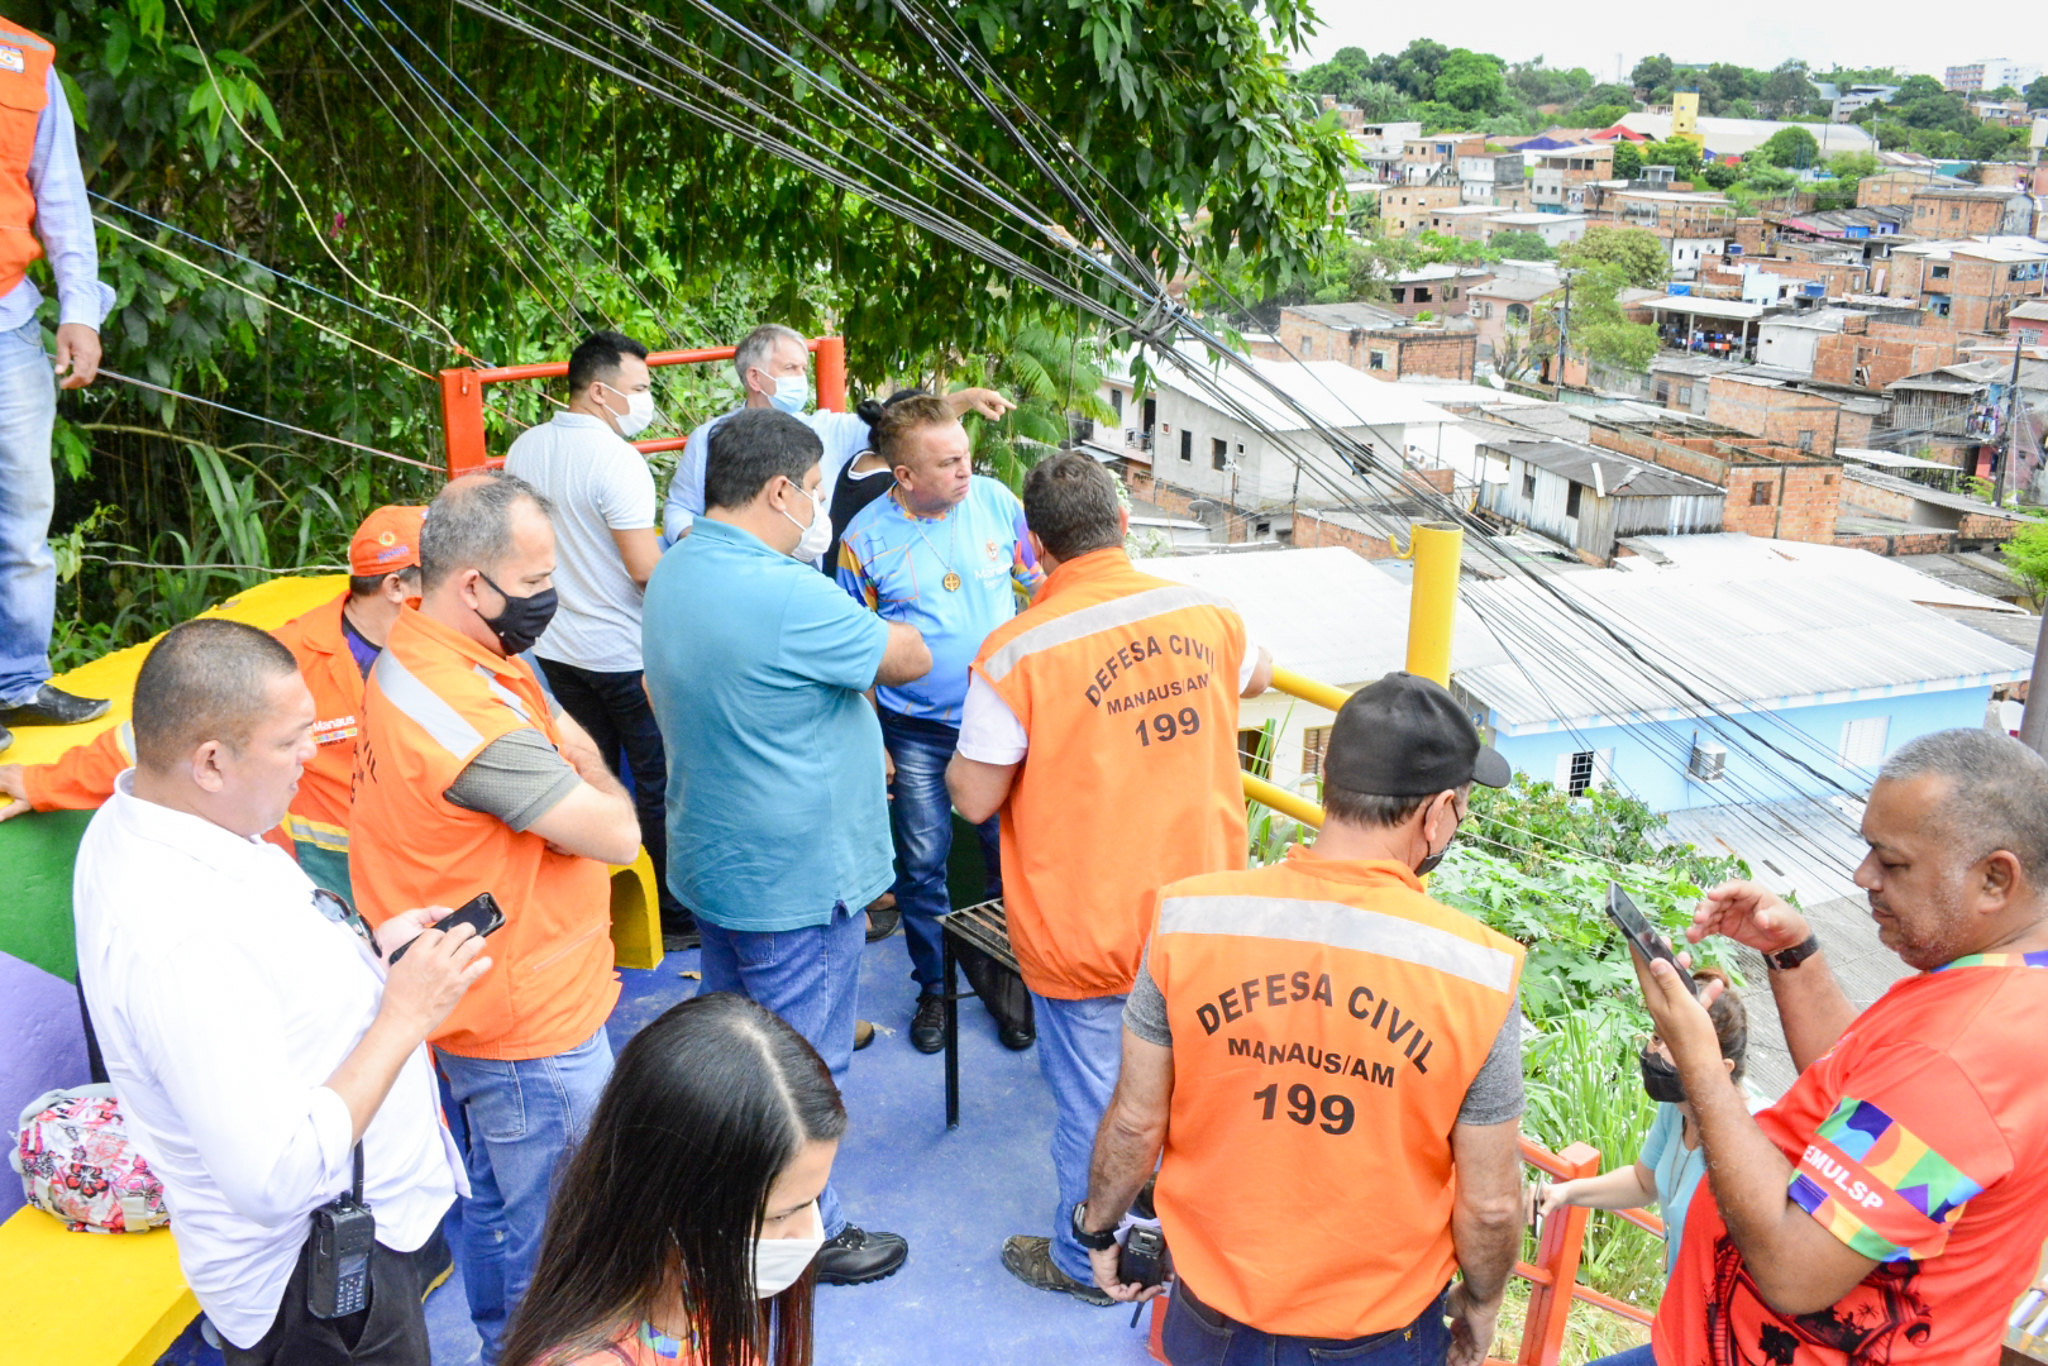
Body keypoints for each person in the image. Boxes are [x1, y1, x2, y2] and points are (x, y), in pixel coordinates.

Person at [72, 618, 491, 1365]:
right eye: (292, 739)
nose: (314, 752)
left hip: (345, 1255)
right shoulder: (181, 940)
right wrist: (404, 1017)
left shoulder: (162, 815)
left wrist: (374, 950)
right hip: (318, 1298)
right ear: (209, 762)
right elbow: (274, 1176)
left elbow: (265, 987)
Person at [1078, 671, 1524, 1364]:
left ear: (1328, 789)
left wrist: (1099, 1230)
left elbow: (1136, 1122)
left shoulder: (1190, 918)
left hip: (1212, 1314)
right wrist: (1483, 1300)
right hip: (1375, 1334)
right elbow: (1492, 1205)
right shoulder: (1477, 972)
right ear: (1436, 816)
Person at [1599, 728, 2048, 1366]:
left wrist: (1698, 1062)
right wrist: (1793, 954)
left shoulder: (1961, 1055)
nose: (1863, 876)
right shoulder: (2002, 981)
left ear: (1995, 879)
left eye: (1892, 863)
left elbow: (1793, 1269)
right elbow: (1874, 1108)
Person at [946, 450, 1272, 1305]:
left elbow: (975, 798)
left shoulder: (1018, 651)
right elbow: (1260, 674)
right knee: (1200, 1094)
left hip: (1085, 929)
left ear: (1036, 549)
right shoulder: (1206, 612)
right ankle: (1195, 1248)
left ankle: (1087, 1257)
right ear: (1124, 525)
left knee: (1101, 1108)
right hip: (1203, 922)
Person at [349, 471, 643, 1366]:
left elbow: (555, 723)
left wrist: (563, 764)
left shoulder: (455, 646)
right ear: (471, 583)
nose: (549, 598)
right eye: (537, 580)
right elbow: (620, 830)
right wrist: (579, 783)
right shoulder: (463, 711)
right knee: (556, 1248)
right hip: (528, 1029)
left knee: (499, 1207)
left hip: (502, 998)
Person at [642, 407, 927, 1286]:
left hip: (718, 854)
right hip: (799, 875)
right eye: (812, 491)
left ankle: (721, 1201)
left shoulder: (678, 567)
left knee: (737, 1052)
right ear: (777, 491)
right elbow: (907, 655)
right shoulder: (786, 592)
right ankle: (805, 1232)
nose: (818, 505)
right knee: (805, 1067)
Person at [0, 504, 425, 901]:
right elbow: (160, 733)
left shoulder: (449, 644)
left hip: (418, 872)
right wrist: (44, 784)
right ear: (394, 587)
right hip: (330, 885)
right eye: (440, 572)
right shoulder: (285, 660)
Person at [835, 393, 1041, 1053]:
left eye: (966, 457)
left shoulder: (998, 504)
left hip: (1000, 723)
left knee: (1006, 858)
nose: (965, 471)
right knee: (923, 866)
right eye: (948, 462)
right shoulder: (862, 541)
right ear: (904, 475)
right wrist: (875, 742)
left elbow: (1037, 589)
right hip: (914, 731)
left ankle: (1012, 985)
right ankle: (936, 989)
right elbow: (855, 653)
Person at [500, 993, 845, 1366]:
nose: (809, 1232)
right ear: (673, 1196)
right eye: (778, 1216)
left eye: (813, 1199)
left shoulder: (698, 1283)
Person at [503, 330, 690, 943]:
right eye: (639, 388)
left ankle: (599, 905)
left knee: (591, 774)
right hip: (624, 652)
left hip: (553, 645)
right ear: (602, 391)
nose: (646, 400)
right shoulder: (618, 461)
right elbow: (644, 569)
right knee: (660, 779)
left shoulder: (525, 448)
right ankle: (670, 908)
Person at [0, 16, 118, 753]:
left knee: (23, 512)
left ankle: (18, 684)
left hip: (8, 321)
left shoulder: (27, 59)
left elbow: (64, 200)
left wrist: (81, 312)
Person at [658, 323, 1012, 546]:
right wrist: (710, 547)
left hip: (812, 574)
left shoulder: (825, 428)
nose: (802, 378)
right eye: (791, 368)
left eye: (804, 368)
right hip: (737, 572)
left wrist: (966, 399)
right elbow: (679, 510)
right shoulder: (711, 438)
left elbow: (902, 424)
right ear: (754, 378)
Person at [1532, 970, 1748, 1278]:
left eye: (1676, 1045)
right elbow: (1642, 1182)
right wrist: (1565, 1193)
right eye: (1658, 1037)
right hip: (1678, 1299)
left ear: (1723, 1069)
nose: (1656, 1051)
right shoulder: (1677, 1109)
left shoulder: (1750, 1146)